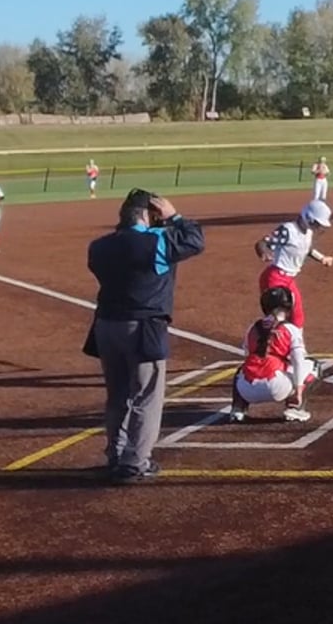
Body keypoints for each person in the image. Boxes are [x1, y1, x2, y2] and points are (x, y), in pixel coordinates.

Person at [85, 189, 205, 484]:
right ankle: (135, 461)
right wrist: (174, 216)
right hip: (142, 328)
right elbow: (194, 240)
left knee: (117, 395)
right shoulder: (156, 241)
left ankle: (116, 454)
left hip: (106, 326)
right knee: (146, 396)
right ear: (147, 215)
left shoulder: (98, 247)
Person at [230, 286, 320, 424]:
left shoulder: (252, 328)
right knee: (313, 365)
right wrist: (298, 389)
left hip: (247, 389)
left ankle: (238, 409)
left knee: (241, 370)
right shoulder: (290, 329)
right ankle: (295, 407)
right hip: (276, 387)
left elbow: (248, 355)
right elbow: (298, 361)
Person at [255, 200, 333, 333]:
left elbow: (307, 249)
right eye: (317, 223)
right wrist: (264, 253)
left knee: (297, 317)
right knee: (277, 317)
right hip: (275, 278)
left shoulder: (308, 233)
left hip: (289, 280)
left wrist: (322, 258)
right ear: (308, 217)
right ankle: (265, 341)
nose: (317, 227)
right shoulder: (288, 230)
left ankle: (296, 344)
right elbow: (262, 243)